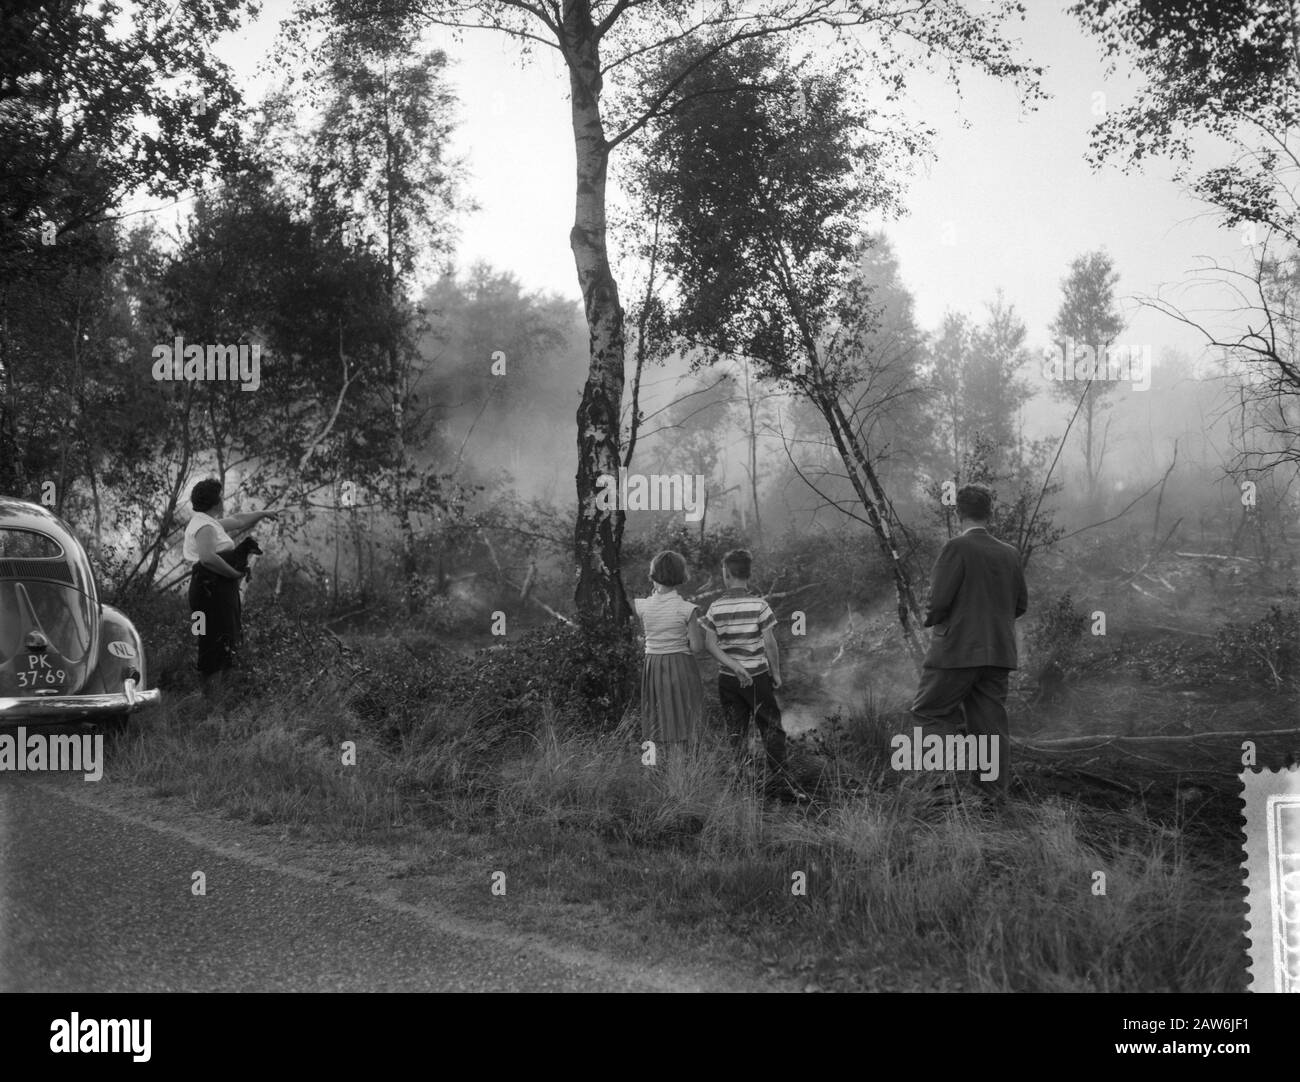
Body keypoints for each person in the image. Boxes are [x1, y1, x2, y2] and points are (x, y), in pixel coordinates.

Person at [910, 483, 1029, 797]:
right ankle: (992, 797)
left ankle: (939, 793)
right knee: (990, 725)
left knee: (930, 713)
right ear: (990, 513)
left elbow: (937, 602)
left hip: (956, 651)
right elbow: (1020, 605)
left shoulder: (956, 547)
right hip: (999, 653)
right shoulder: (1011, 553)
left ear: (959, 511)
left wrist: (932, 621)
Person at [701, 548, 789, 787]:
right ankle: (781, 778)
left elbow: (710, 644)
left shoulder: (715, 608)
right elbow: (770, 643)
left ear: (727, 574)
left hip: (729, 680)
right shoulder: (759, 605)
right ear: (748, 574)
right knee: (770, 725)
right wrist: (776, 673)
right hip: (758, 677)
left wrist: (733, 666)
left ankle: (743, 778)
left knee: (736, 728)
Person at [182, 479, 277, 695]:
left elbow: (238, 520)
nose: (223, 499)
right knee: (214, 639)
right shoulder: (204, 525)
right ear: (215, 500)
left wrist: (263, 513)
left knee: (223, 638)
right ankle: (211, 699)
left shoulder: (207, 521)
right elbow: (207, 558)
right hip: (209, 590)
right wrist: (234, 574)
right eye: (221, 496)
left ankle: (219, 697)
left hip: (214, 589)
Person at [633, 551, 705, 759]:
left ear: (653, 575)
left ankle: (654, 766)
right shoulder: (686, 609)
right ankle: (684, 767)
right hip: (681, 666)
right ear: (680, 576)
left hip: (653, 666)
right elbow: (697, 647)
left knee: (656, 716)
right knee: (685, 716)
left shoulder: (642, 606)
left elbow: (645, 636)